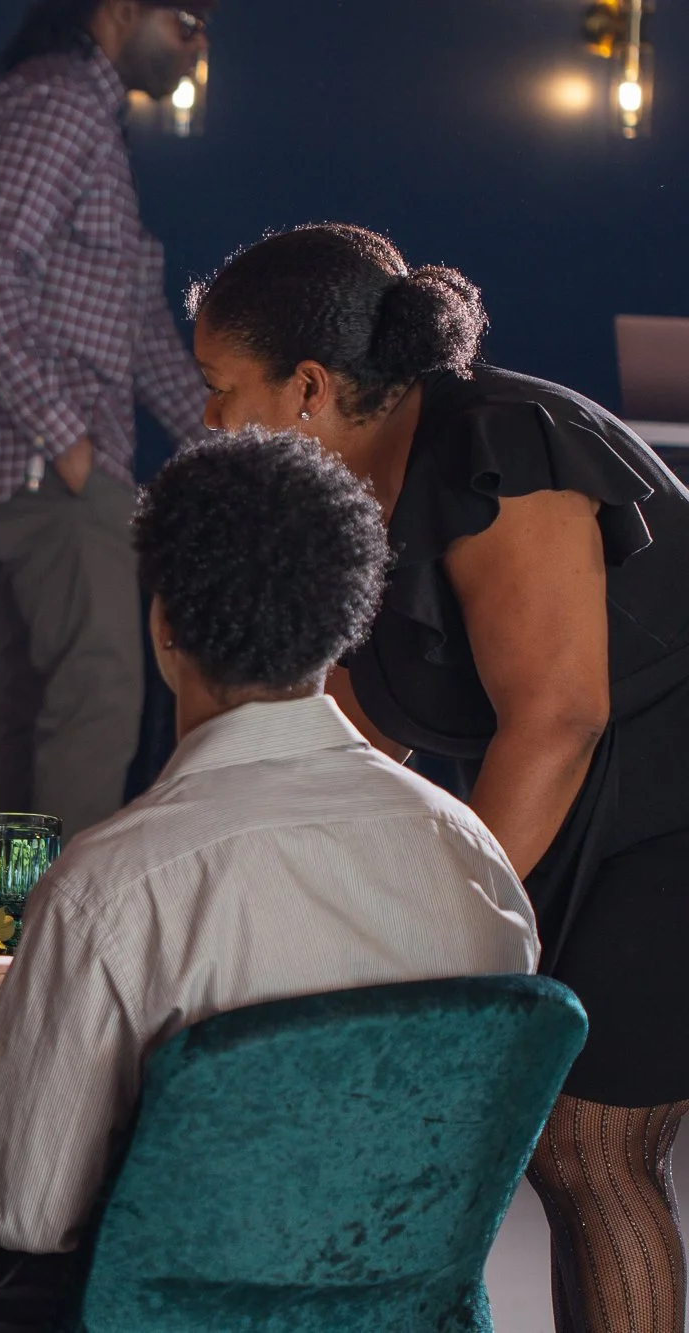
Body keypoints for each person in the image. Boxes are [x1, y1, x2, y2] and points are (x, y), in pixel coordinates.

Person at [0, 431, 538, 1333]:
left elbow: (22, 1209)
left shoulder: (116, 886)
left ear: (163, 621)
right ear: (348, 623)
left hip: (163, 1314)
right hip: (403, 1309)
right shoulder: (471, 853)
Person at [189, 222, 689, 1333]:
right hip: (592, 805)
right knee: (566, 1152)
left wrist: (438, 921)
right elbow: (352, 737)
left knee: (591, 1147)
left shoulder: (498, 447)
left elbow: (556, 717)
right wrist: (216, 860)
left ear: (307, 385)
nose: (208, 420)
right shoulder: (355, 491)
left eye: (219, 388)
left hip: (670, 805)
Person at [0, 0, 211, 844]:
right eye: (187, 20)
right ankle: (64, 923)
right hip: (44, 475)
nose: (198, 47)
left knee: (19, 702)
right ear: (121, 9)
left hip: (41, 473)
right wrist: (68, 441)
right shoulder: (59, 101)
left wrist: (228, 436)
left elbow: (139, 327)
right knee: (98, 693)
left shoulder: (84, 111)